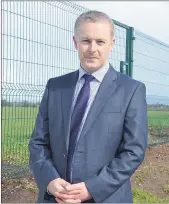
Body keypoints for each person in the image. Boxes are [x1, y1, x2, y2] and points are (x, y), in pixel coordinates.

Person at [29, 10, 148, 203]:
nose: (92, 48)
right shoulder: (56, 87)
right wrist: (50, 180)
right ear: (75, 42)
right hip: (56, 197)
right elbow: (38, 142)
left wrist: (93, 188)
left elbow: (133, 151)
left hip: (105, 197)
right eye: (86, 41)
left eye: (100, 41)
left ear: (112, 44)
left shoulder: (131, 90)